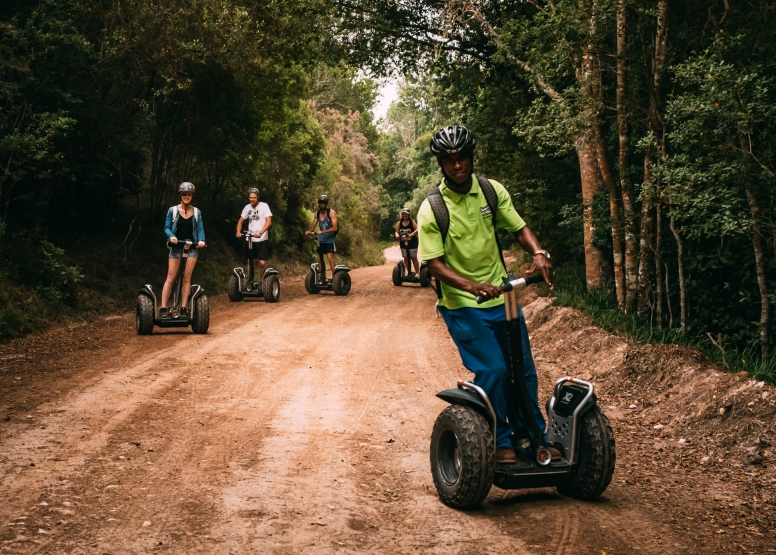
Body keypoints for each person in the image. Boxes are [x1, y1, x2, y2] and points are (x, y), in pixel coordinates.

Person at [417, 125, 556, 465]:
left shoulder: (491, 192)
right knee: (494, 369)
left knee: (523, 371)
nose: (457, 165)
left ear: (471, 157)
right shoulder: (432, 208)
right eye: (449, 160)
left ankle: (532, 434)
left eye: (462, 157)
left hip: (502, 299)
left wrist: (538, 252)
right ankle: (499, 439)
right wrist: (471, 286)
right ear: (441, 164)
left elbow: (519, 228)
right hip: (462, 304)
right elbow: (433, 265)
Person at [161, 182, 206, 319]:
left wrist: (202, 240)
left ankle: (184, 307)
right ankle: (163, 308)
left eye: (189, 194)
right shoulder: (172, 211)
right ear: (181, 195)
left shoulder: (197, 212)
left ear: (192, 196)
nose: (187, 197)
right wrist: (172, 236)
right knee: (171, 276)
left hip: (191, 247)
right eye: (185, 194)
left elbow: (200, 229)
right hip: (176, 247)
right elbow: (167, 227)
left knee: (187, 278)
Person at [235, 187, 272, 283]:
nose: (252, 199)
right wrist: (238, 232)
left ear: (258, 197)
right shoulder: (247, 207)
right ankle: (250, 280)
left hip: (262, 239)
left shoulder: (264, 206)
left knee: (262, 262)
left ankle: (262, 282)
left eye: (254, 197)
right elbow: (240, 221)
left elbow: (269, 222)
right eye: (250, 197)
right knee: (250, 261)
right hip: (250, 239)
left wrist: (260, 233)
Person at [305, 194, 338, 283]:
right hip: (321, 239)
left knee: (329, 256)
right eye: (320, 203)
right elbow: (314, 224)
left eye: (323, 203)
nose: (322, 205)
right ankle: (322, 277)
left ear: (326, 204)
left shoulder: (331, 213)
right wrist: (309, 231)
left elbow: (335, 228)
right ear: (318, 204)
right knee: (320, 257)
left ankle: (335, 277)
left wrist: (323, 231)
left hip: (330, 239)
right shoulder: (317, 213)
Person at [395, 207, 420, 277]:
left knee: (413, 257)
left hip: (412, 242)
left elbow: (418, 229)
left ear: (409, 215)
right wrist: (397, 235)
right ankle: (409, 272)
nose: (405, 216)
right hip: (403, 243)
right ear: (402, 215)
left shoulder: (412, 222)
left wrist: (412, 234)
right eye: (403, 214)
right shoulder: (400, 223)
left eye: (406, 214)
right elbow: (397, 231)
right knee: (406, 257)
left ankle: (417, 273)